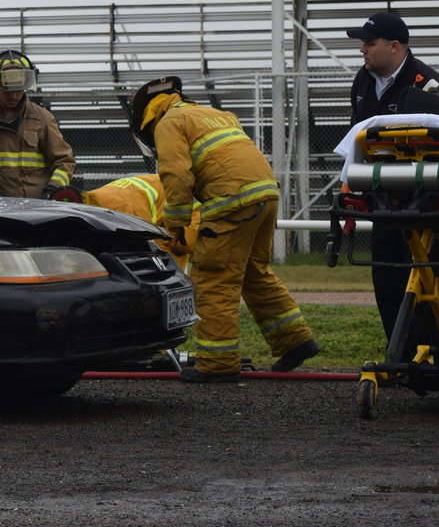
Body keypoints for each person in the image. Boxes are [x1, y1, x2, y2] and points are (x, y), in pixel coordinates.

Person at [130, 76, 320, 382]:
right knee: (253, 271)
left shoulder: (168, 123)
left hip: (232, 202)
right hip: (266, 195)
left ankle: (218, 364)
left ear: (146, 120)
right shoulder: (214, 115)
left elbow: (176, 177)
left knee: (212, 276)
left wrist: (175, 225)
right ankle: (295, 341)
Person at [345, 12, 439, 351]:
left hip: (427, 205)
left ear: (394, 46)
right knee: (387, 276)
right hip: (385, 198)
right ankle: (399, 355)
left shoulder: (427, 84)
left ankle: (429, 352)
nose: (363, 50)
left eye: (369, 43)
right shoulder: (363, 80)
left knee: (426, 277)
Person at [0, 50, 76, 198]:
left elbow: (64, 161)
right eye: (7, 92)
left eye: (18, 91)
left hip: (34, 207)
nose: (13, 96)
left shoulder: (43, 119)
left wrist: (54, 187)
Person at [80, 173, 198, 270]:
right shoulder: (194, 199)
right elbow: (182, 243)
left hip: (93, 202)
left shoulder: (166, 180)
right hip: (129, 209)